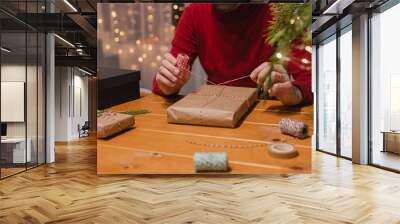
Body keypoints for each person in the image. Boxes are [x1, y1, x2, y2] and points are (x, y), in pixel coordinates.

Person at [152, 3, 311, 106]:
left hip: (266, 115)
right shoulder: (194, 13)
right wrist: (169, 85)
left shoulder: (281, 13)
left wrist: (293, 93)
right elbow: (163, 84)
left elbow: (313, 81)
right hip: (214, 112)